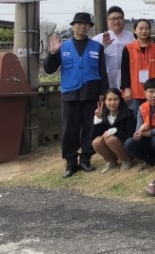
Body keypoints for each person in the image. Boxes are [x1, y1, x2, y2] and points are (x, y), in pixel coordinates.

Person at [46, 12, 109, 176]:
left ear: (89, 27)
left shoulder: (97, 47)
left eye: (86, 24)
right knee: (70, 128)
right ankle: (71, 161)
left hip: (91, 92)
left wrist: (103, 92)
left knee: (90, 127)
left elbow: (103, 71)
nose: (82, 26)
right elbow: (49, 69)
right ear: (73, 26)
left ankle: (86, 158)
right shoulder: (63, 47)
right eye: (78, 23)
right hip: (70, 92)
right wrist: (52, 53)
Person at [119, 19, 155, 113]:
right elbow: (124, 70)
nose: (144, 31)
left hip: (152, 92)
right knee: (134, 119)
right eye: (141, 28)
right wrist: (126, 88)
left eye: (146, 28)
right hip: (134, 92)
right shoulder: (128, 48)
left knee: (152, 119)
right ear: (135, 30)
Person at [91, 88, 135, 172]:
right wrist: (98, 118)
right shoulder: (103, 114)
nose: (112, 103)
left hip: (126, 149)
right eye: (109, 99)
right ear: (104, 101)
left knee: (111, 139)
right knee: (96, 141)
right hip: (112, 150)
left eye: (115, 99)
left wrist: (115, 131)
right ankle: (111, 162)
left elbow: (130, 136)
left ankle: (126, 161)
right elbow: (93, 136)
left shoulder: (128, 114)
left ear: (120, 100)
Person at [92, 6, 135, 91]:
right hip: (107, 79)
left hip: (128, 79)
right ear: (107, 21)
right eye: (113, 18)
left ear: (124, 20)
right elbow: (93, 59)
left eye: (120, 18)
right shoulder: (98, 39)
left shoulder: (132, 37)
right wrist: (104, 45)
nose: (117, 21)